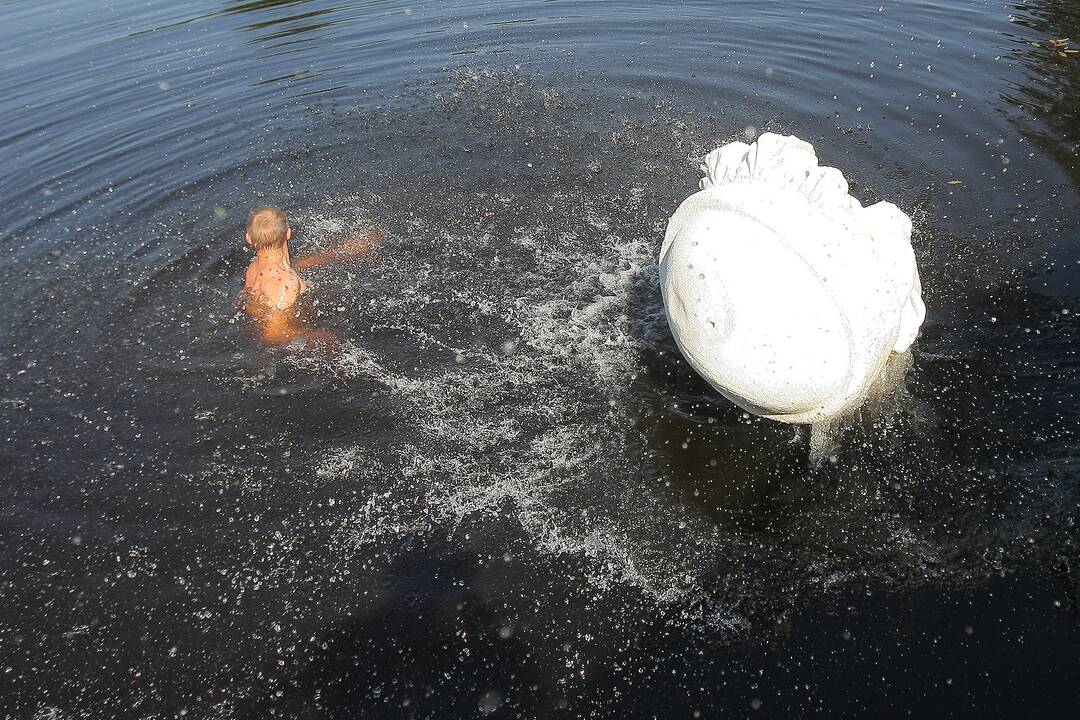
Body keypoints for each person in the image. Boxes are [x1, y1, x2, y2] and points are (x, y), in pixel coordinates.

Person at [242, 205, 381, 347]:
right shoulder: (287, 282)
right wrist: (319, 336)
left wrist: (340, 253)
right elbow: (273, 334)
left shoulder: (253, 267)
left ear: (249, 238)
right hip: (286, 339)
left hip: (256, 326)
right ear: (288, 233)